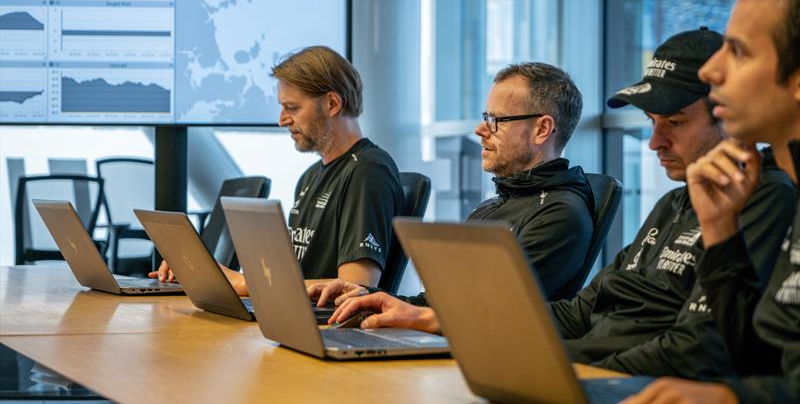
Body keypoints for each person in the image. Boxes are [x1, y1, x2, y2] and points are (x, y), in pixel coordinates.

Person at [327, 29, 796, 380]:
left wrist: (545, 363)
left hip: (616, 377)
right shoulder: (675, 203)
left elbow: (695, 346)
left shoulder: (764, 200)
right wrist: (430, 317)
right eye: (653, 121)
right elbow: (580, 310)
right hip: (588, 364)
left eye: (674, 121)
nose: (654, 142)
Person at [625, 0, 800, 403]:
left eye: (737, 52)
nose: (711, 70)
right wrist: (721, 228)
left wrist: (731, 399)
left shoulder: (777, 194)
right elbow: (762, 361)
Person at [310, 62, 595, 310]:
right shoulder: (492, 207)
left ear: (542, 129)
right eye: (486, 118)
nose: (480, 130)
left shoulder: (560, 215)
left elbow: (487, 313)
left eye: (496, 120)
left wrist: (403, 313)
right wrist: (370, 298)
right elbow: (441, 303)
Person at [150, 46, 404, 293]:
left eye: (292, 107)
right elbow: (292, 278)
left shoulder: (367, 172)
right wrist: (205, 272)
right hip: (292, 319)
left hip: (328, 332)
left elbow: (355, 288)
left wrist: (245, 284)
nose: (282, 119)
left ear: (332, 104)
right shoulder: (310, 177)